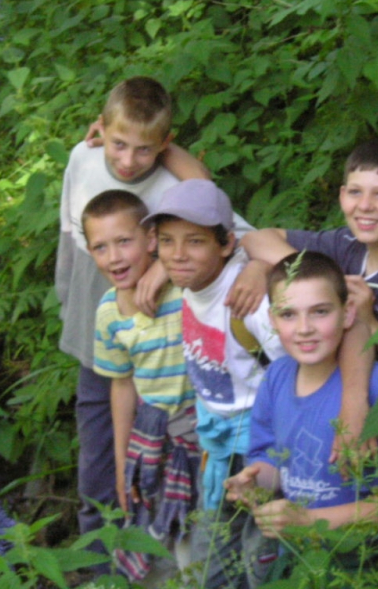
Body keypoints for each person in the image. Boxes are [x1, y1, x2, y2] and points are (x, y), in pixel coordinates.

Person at [55, 76, 261, 546]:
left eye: (144, 150)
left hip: (164, 349)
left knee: (163, 452)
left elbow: (222, 224)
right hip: (97, 330)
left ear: (166, 145)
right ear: (101, 130)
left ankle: (158, 547)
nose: (128, 161)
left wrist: (165, 269)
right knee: (97, 453)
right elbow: (69, 238)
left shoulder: (175, 184)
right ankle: (99, 558)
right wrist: (68, 303)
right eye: (118, 144)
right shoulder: (82, 158)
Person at [143, 179, 373, 589]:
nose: (178, 254)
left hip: (262, 448)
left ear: (227, 244)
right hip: (218, 444)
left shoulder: (248, 301)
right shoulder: (192, 285)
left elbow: (302, 365)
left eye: (194, 241)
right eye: (167, 241)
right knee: (212, 553)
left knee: (261, 556)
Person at [225, 250, 378, 584]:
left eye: (319, 312)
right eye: (288, 314)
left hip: (366, 564)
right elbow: (274, 462)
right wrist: (253, 482)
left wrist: (311, 519)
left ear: (347, 313)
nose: (304, 329)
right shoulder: (277, 376)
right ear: (272, 320)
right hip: (302, 558)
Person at [241, 138, 378, 402]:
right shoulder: (346, 243)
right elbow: (256, 239)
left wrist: (371, 325)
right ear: (342, 195)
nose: (365, 205)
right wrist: (319, 278)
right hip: (340, 397)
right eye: (355, 192)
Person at [83, 190, 198, 582]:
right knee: (154, 528)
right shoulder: (108, 314)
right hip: (152, 438)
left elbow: (232, 242)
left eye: (123, 241)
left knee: (200, 532)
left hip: (201, 429)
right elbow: (121, 386)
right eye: (100, 247)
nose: (113, 257)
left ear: (150, 239)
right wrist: (121, 465)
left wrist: (166, 267)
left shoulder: (184, 287)